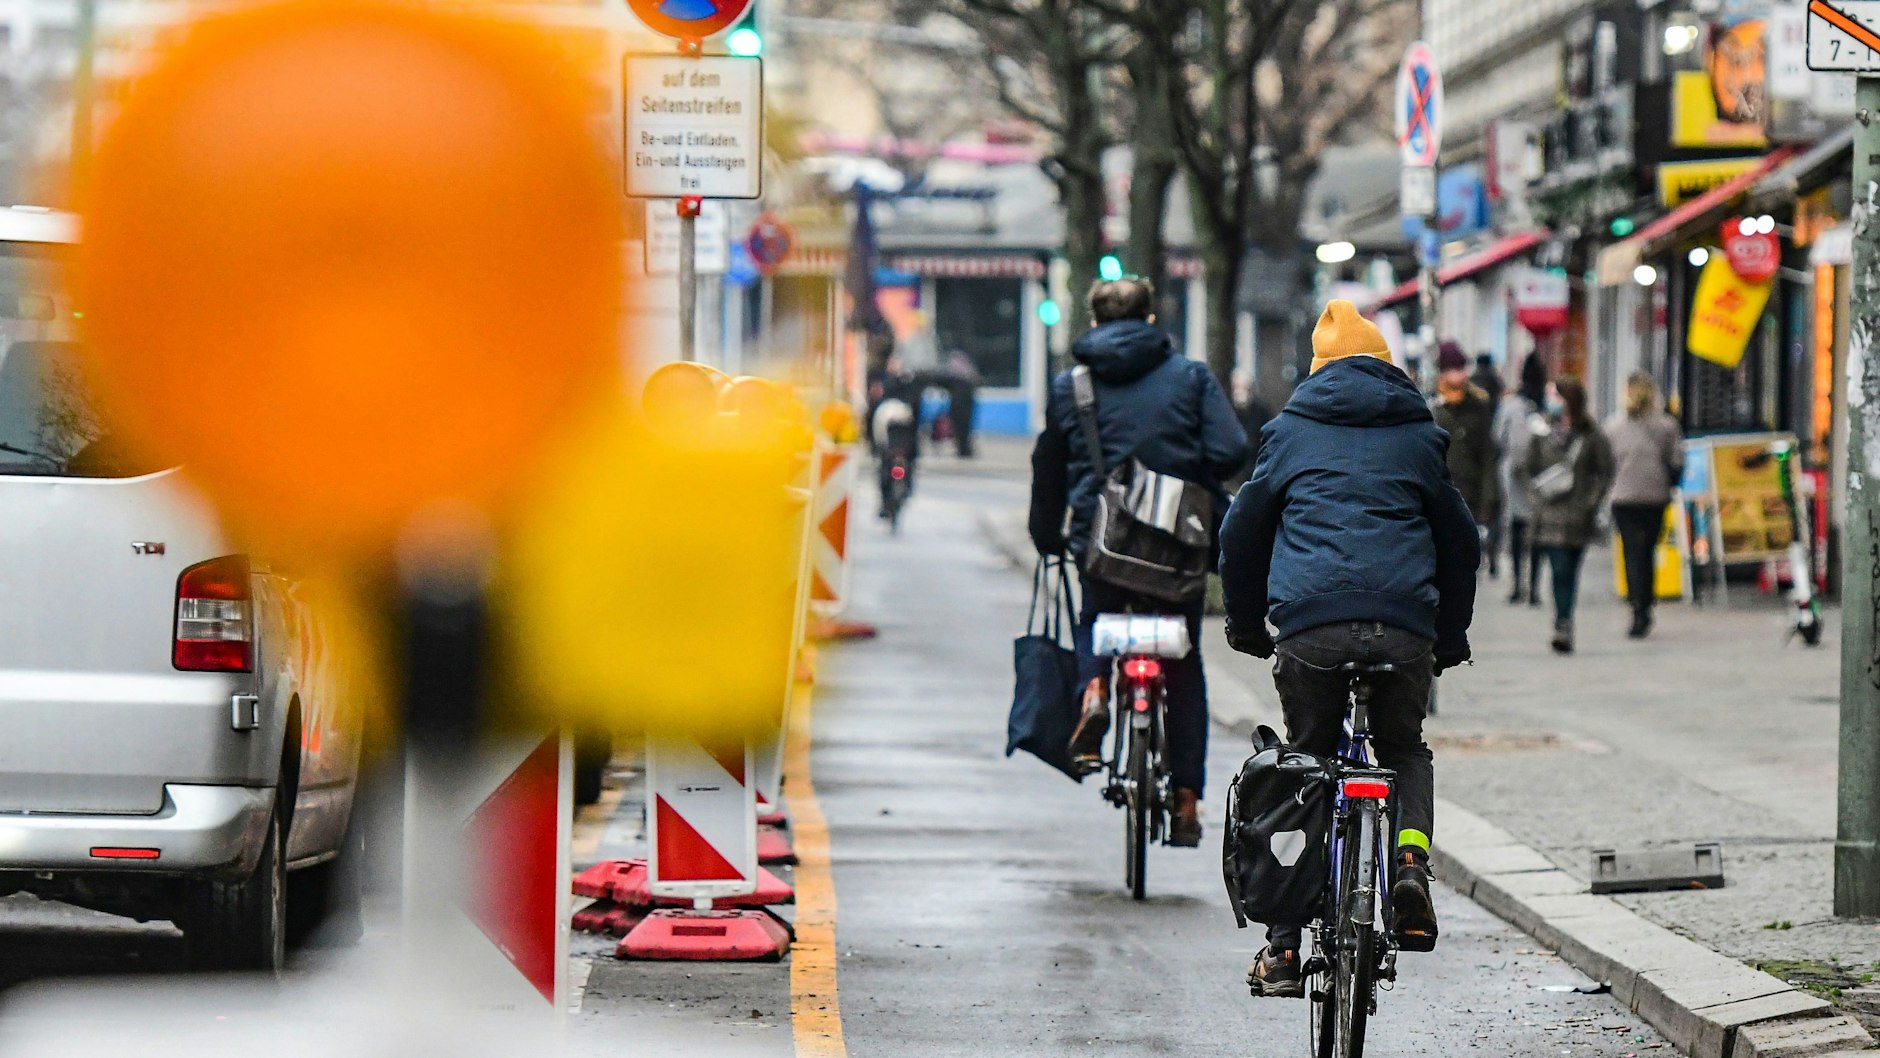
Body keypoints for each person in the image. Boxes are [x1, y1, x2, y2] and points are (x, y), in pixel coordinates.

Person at [1218, 299, 1480, 997]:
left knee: (1306, 762)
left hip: (1311, 626)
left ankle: (1279, 947)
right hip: (1403, 627)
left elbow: (1242, 530)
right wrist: (1447, 638)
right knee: (1403, 752)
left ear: (1318, 370)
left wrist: (1246, 624)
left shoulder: (1290, 431)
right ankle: (1409, 867)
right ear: (1386, 366)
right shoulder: (1419, 433)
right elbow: (1461, 541)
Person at [1029, 276, 1248, 847]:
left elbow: (1049, 466)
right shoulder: (1191, 377)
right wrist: (1183, 473)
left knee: (1096, 623)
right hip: (1178, 547)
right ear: (1153, 319)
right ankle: (1185, 802)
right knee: (1183, 662)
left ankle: (1095, 691)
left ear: (1094, 323)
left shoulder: (1069, 387)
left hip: (1101, 545)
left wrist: (1047, 535)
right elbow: (1229, 451)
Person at [1521, 378, 1614, 655]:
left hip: (1577, 515)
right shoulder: (1541, 431)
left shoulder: (1590, 433)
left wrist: (1591, 502)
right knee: (1559, 570)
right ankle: (1563, 623)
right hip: (1549, 513)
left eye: (1555, 394)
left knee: (1570, 570)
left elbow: (1605, 470)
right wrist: (1535, 498)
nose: (1550, 399)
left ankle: (1565, 620)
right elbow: (1527, 468)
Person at [1606, 372, 1684, 639]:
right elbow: (1676, 461)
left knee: (1631, 553)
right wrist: (1669, 481)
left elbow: (1605, 464)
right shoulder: (1666, 425)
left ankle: (1637, 606)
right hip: (1655, 496)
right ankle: (1646, 604)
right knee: (1648, 552)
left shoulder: (1613, 427)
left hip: (1624, 497)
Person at [1432, 341, 1500, 542]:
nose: (1461, 374)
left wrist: (1488, 501)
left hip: (1471, 494)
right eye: (1454, 368)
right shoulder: (1431, 406)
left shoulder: (1478, 405)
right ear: (1443, 372)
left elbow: (1488, 455)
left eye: (1462, 368)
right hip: (1439, 495)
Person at [1495, 355, 1549, 606]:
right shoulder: (1547, 405)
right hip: (1543, 476)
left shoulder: (1512, 404)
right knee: (1537, 532)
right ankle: (1535, 588)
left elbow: (1497, 435)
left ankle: (1518, 584)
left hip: (1515, 474)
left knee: (1516, 529)